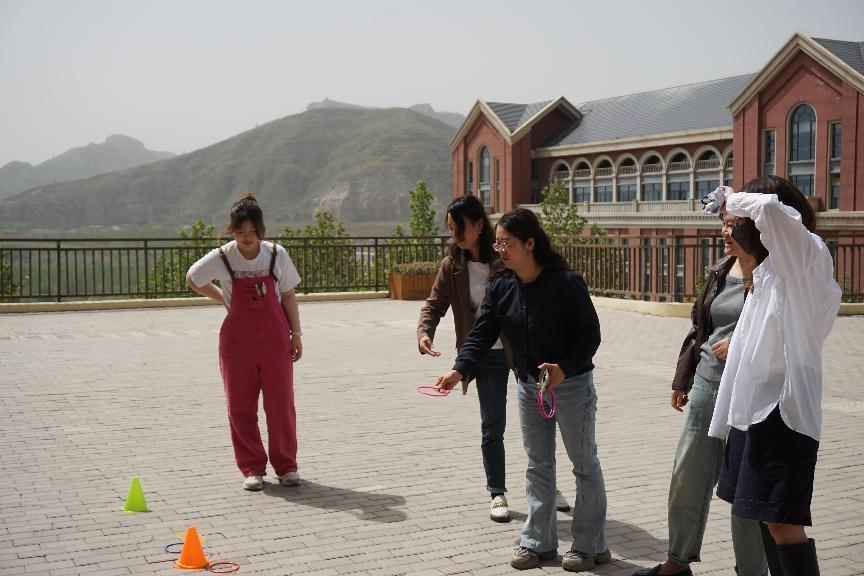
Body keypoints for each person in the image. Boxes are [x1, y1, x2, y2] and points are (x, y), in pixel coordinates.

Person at [434, 208, 608, 572]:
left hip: (571, 385)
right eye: (497, 244)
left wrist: (563, 368)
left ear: (530, 243)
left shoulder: (565, 282)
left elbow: (589, 334)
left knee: (583, 464)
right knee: (538, 464)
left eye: (507, 244)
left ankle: (590, 544)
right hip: (530, 386)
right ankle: (538, 542)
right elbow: (482, 333)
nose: (500, 250)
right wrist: (458, 369)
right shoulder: (501, 286)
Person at [707, 176, 841, 576]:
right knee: (766, 516)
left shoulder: (805, 252)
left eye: (738, 222)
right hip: (756, 409)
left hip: (783, 409)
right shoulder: (771, 269)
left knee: (782, 520)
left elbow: (768, 208)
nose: (735, 229)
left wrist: (732, 197)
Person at [633, 187, 767, 576]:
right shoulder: (721, 270)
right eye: (724, 223)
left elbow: (781, 329)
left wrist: (741, 343)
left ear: (755, 228)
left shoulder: (772, 274)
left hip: (749, 393)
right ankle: (677, 562)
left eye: (733, 224)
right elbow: (700, 327)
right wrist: (683, 376)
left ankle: (752, 571)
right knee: (687, 476)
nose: (725, 232)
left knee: (744, 490)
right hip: (709, 384)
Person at [186, 192, 304, 491]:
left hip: (275, 339)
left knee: (281, 405)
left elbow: (288, 296)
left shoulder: (276, 254)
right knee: (240, 406)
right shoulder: (224, 256)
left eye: (252, 231)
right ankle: (252, 468)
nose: (247, 237)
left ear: (261, 230)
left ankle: (286, 467)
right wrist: (223, 299)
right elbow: (193, 278)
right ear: (232, 230)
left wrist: (296, 334)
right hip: (237, 343)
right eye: (240, 231)